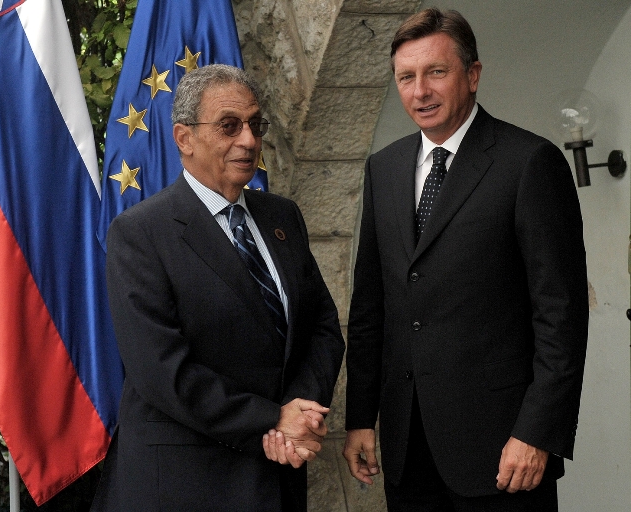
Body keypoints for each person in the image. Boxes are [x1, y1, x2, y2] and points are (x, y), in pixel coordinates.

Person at [342, 8, 589, 512]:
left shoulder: (529, 163)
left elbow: (561, 315)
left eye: (436, 72)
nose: (420, 91)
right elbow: (371, 307)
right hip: (408, 450)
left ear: (472, 75)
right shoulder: (383, 169)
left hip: (504, 451)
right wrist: (361, 418)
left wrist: (537, 432)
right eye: (405, 77)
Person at [90, 64, 345, 512]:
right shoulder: (140, 233)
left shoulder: (283, 217)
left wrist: (300, 412)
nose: (248, 140)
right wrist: (272, 419)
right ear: (184, 138)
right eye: (229, 126)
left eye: (255, 125)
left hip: (278, 474)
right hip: (187, 484)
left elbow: (322, 326)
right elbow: (161, 371)